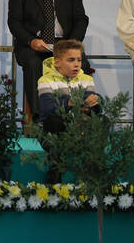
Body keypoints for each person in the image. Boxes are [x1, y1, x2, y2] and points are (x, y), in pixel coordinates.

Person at [8, 0, 89, 120]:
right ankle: (41, 119)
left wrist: (71, 44)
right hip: (33, 45)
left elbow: (81, 19)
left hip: (64, 43)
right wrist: (31, 41)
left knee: (80, 62)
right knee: (34, 63)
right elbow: (14, 22)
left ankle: (78, 116)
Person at [37, 39, 100, 183]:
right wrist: (73, 103)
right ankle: (55, 170)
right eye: (71, 60)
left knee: (102, 120)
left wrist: (95, 102)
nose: (77, 64)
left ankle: (93, 171)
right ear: (57, 62)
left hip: (78, 126)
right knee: (54, 120)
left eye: (79, 59)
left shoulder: (86, 79)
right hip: (53, 129)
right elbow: (48, 109)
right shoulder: (44, 80)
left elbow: (93, 106)